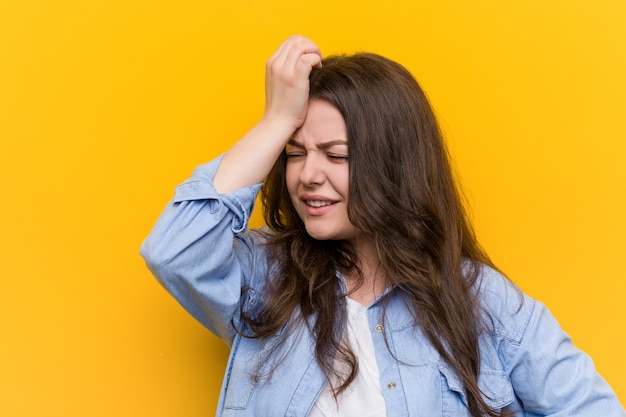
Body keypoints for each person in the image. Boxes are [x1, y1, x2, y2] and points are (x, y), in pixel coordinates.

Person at [140, 35, 625, 417]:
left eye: (336, 155)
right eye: (294, 153)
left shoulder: (480, 302)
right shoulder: (265, 280)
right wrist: (274, 120)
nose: (308, 174)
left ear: (393, 166)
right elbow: (173, 250)